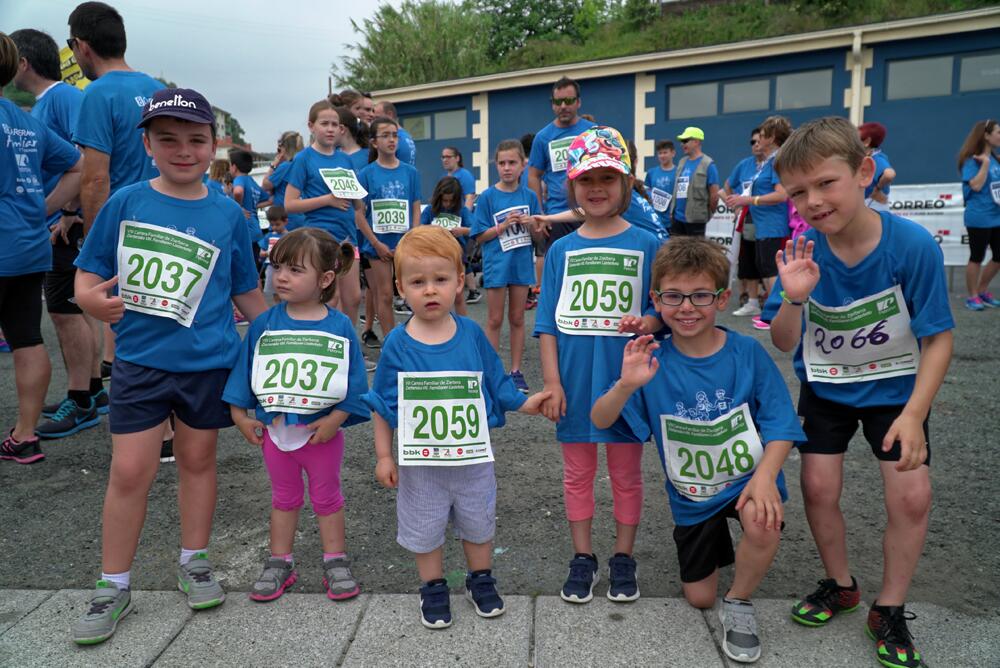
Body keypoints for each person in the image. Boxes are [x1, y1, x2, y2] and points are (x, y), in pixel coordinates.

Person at [71, 88, 266, 645]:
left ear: (214, 148)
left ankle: (194, 559)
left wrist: (292, 335)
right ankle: (113, 584)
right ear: (147, 144)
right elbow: (88, 275)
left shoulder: (229, 213)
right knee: (131, 470)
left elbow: (247, 292)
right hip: (138, 363)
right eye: (168, 139)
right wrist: (89, 301)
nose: (183, 150)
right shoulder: (127, 203)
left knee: (198, 461)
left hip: (208, 364)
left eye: (196, 140)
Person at [765, 117, 954, 668]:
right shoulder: (801, 249)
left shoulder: (911, 245)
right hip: (826, 387)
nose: (814, 201)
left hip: (896, 392)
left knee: (911, 496)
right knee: (818, 488)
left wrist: (916, 414)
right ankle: (841, 584)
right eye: (799, 192)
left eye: (826, 183)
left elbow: (938, 339)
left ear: (864, 172)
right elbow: (782, 341)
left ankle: (889, 607)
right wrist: (794, 300)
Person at [591, 237, 805, 663]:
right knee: (700, 598)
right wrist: (626, 385)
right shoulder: (649, 360)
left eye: (700, 295)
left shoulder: (747, 352)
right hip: (693, 494)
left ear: (722, 299)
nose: (686, 307)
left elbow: (781, 424)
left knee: (763, 522)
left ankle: (740, 601)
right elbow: (600, 419)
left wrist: (765, 477)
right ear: (656, 299)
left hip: (748, 480)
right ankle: (716, 542)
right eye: (673, 296)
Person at [363, 225, 549, 629]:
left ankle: (480, 578)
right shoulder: (397, 343)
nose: (430, 290)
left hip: (472, 461)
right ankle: (432, 585)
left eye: (441, 280)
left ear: (459, 282)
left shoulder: (470, 334)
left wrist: (525, 402)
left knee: (478, 522)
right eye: (417, 282)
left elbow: (496, 381)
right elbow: (383, 403)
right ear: (399, 287)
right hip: (421, 465)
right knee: (423, 526)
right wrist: (383, 454)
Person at [534, 126, 661, 605]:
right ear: (572, 187)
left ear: (626, 184)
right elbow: (547, 322)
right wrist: (551, 382)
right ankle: (583, 556)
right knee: (576, 475)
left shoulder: (647, 244)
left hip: (626, 384)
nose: (598, 188)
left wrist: (645, 319)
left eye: (609, 177)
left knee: (628, 475)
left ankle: (623, 556)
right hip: (575, 383)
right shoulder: (562, 250)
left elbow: (664, 314)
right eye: (587, 179)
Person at [224, 228, 369, 603]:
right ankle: (279, 561)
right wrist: (240, 416)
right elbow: (245, 372)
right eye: (277, 268)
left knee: (327, 497)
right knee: (283, 498)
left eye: (294, 270)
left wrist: (337, 419)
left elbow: (354, 381)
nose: (281, 277)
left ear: (325, 279)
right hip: (276, 435)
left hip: (320, 434)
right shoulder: (263, 324)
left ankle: (335, 560)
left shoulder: (339, 326)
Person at [67, 1, 166, 410]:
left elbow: (95, 177)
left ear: (82, 46)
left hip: (128, 225)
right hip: (169, 215)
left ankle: (150, 424)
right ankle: (171, 425)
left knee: (132, 327)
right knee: (164, 320)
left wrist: (94, 241)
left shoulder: (98, 94)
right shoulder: (160, 89)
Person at [11, 28, 106, 439]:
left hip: (66, 225)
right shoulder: (43, 104)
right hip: (53, 224)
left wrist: (68, 210)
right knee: (70, 311)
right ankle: (90, 392)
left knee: (67, 312)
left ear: (23, 63)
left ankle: (82, 399)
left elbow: (86, 157)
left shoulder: (64, 97)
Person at [0, 32, 82, 465]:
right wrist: (43, 210)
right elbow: (77, 164)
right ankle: (25, 436)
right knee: (27, 339)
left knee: (26, 339)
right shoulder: (26, 121)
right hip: (29, 247)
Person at [284, 100, 363, 323]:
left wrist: (357, 197)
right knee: (331, 296)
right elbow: (290, 204)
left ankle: (349, 346)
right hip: (321, 236)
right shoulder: (304, 159)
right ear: (311, 126)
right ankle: (327, 345)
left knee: (354, 297)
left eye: (335, 124)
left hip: (348, 235)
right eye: (324, 123)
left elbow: (355, 200)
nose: (330, 129)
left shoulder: (344, 159)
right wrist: (327, 200)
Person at [471, 140, 541, 393]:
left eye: (512, 163)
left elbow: (539, 236)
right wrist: (503, 226)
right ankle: (492, 372)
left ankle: (515, 371)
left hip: (521, 265)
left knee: (518, 318)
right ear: (496, 166)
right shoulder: (488, 196)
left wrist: (532, 223)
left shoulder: (530, 196)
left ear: (523, 165)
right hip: (497, 265)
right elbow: (479, 235)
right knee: (494, 318)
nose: (507, 168)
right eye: (502, 163)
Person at [354, 115, 421, 339]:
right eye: (386, 136)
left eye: (395, 135)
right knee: (384, 295)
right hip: (378, 245)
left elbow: (415, 208)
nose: (392, 140)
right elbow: (359, 215)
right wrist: (375, 243)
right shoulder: (366, 174)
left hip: (405, 243)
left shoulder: (411, 172)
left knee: (413, 291)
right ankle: (391, 343)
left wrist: (412, 238)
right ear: (374, 142)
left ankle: (418, 338)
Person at [725, 116, 792, 331]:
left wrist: (749, 200)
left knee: (771, 271)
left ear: (772, 138)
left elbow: (782, 195)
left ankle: (777, 316)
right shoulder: (766, 162)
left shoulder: (777, 161)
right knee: (766, 269)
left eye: (761, 136)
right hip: (763, 225)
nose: (758, 141)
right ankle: (773, 314)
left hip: (773, 225)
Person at [528, 76, 595, 250]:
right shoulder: (543, 137)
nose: (563, 106)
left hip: (588, 213)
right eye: (558, 102)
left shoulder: (592, 132)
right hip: (556, 216)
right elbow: (534, 175)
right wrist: (539, 213)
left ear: (578, 102)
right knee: (558, 269)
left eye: (568, 100)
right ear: (552, 104)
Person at [956, 119, 1000, 311]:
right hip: (979, 217)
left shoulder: (996, 159)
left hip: (997, 215)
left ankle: (982, 290)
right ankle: (972, 296)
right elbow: (976, 185)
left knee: (999, 255)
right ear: (986, 135)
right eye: (998, 132)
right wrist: (985, 165)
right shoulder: (972, 160)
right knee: (977, 256)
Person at [726, 128, 766, 317]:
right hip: (747, 220)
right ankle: (752, 302)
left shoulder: (771, 165)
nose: (756, 144)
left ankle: (771, 302)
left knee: (766, 264)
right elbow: (726, 187)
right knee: (749, 261)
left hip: (768, 221)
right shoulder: (744, 165)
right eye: (752, 142)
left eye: (759, 140)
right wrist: (735, 205)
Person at [420, 176, 472, 316]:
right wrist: (432, 229)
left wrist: (463, 231)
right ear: (438, 197)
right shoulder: (430, 210)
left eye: (451, 201)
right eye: (444, 200)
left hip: (456, 258)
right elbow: (418, 230)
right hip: (434, 258)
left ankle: (462, 328)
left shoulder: (462, 211)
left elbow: (476, 230)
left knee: (459, 295)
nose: (448, 204)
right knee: (439, 296)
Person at [669, 127, 719, 237]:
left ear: (696, 141)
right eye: (682, 141)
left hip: (696, 221)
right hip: (677, 219)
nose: (682, 144)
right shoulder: (682, 162)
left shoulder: (708, 164)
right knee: (677, 253)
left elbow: (714, 195)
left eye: (685, 141)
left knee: (695, 253)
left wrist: (708, 214)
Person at [262, 131, 305, 229]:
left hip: (285, 221)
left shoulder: (285, 166)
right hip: (301, 218)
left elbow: (265, 185)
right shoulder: (303, 164)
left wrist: (274, 165)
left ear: (284, 148)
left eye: (279, 149)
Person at [858, 122, 895, 211]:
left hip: (873, 205)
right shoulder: (863, 158)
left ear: (866, 142)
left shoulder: (877, 158)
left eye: (855, 139)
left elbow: (889, 174)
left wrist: (877, 189)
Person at [643, 139, 677, 232]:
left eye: (665, 152)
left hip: (673, 221)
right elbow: (646, 195)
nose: (662, 156)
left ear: (673, 153)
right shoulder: (651, 172)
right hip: (655, 220)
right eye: (660, 153)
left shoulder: (678, 172)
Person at [260, 205, 288, 304]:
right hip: (271, 266)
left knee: (286, 289)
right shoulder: (268, 236)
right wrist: (268, 253)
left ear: (285, 222)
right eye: (272, 225)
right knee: (274, 291)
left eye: (277, 224)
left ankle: (286, 308)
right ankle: (278, 308)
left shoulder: (289, 236)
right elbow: (261, 253)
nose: (274, 227)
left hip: (285, 267)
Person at [374, 100, 415, 165]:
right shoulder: (407, 136)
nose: (375, 122)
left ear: (390, 115)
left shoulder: (397, 138)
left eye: (377, 118)